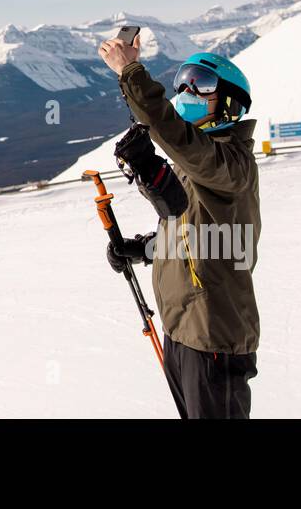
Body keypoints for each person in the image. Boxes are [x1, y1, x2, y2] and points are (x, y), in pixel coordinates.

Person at [97, 33, 261, 419]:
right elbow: (197, 234)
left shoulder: (227, 163)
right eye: (183, 81)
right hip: (182, 330)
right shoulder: (197, 166)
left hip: (213, 336)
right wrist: (144, 248)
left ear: (228, 105)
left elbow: (173, 134)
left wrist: (130, 73)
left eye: (200, 85)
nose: (186, 91)